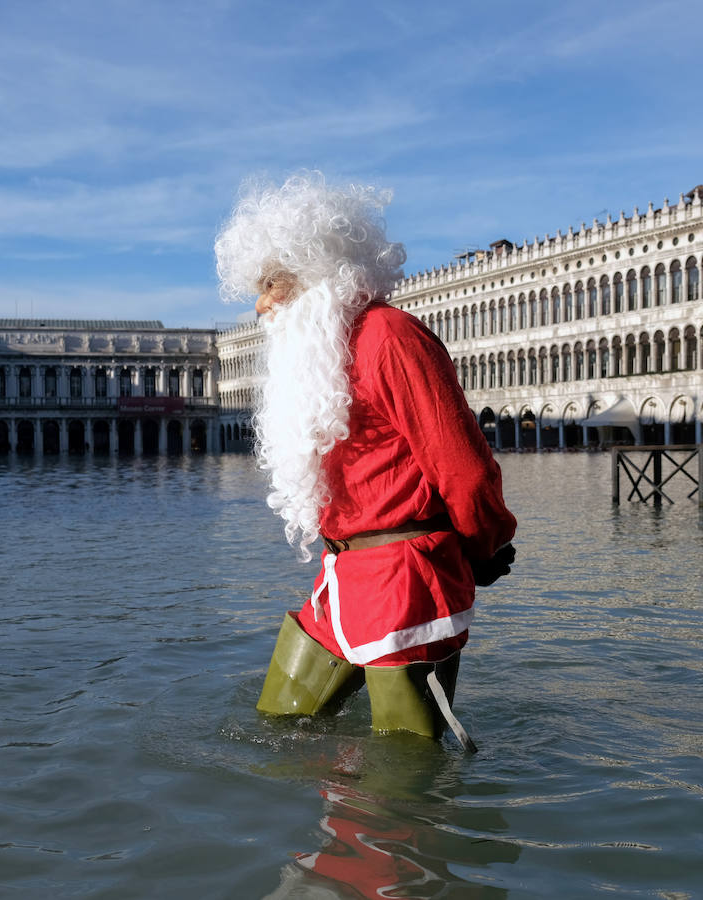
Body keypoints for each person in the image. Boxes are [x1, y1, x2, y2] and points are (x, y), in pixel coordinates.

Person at [215, 172, 516, 743]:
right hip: (342, 581)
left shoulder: (392, 337)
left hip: (407, 584)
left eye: (271, 284)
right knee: (276, 726)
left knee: (405, 773)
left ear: (315, 271)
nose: (260, 304)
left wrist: (484, 545)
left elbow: (465, 467)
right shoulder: (321, 351)